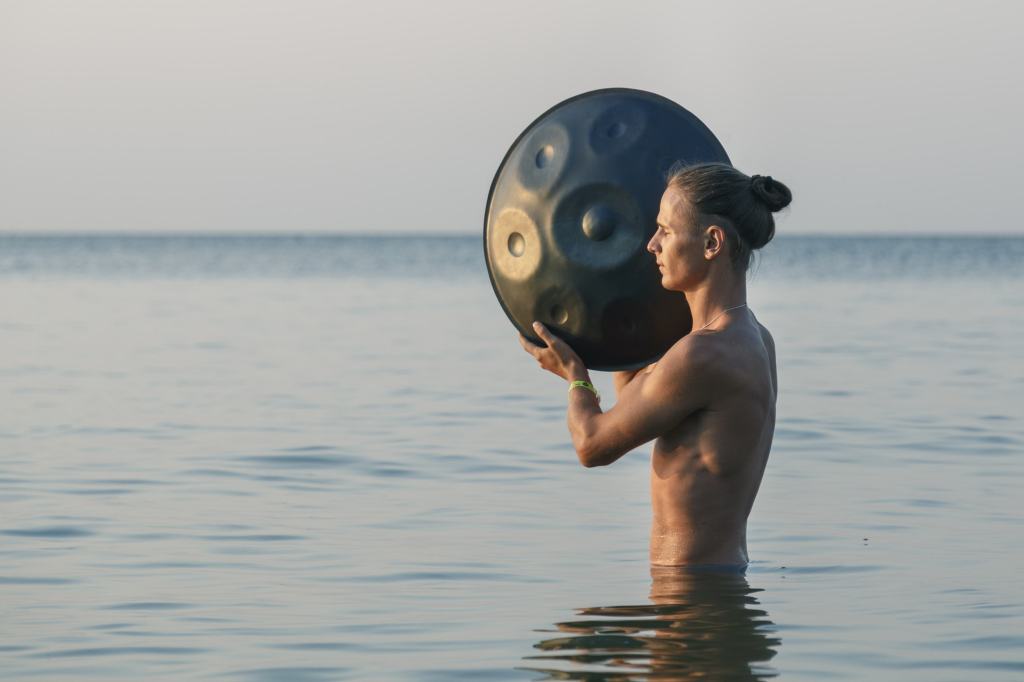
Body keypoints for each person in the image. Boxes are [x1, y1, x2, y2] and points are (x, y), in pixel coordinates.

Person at [519, 162, 791, 569]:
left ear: (711, 242)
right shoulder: (753, 338)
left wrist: (575, 377)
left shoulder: (702, 355)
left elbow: (591, 445)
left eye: (666, 230)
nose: (651, 245)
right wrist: (620, 310)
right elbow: (635, 399)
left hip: (692, 596)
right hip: (717, 581)